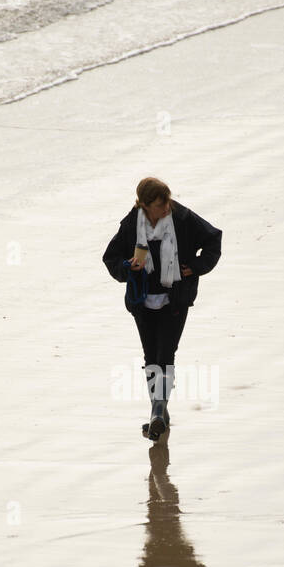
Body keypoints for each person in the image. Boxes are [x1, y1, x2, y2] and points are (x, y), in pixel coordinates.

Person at [102, 177, 222, 440]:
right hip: (142, 302)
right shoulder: (132, 224)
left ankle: (156, 413)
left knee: (165, 354)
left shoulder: (182, 217)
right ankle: (160, 415)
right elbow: (110, 258)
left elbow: (214, 239)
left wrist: (196, 267)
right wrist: (127, 266)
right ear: (144, 205)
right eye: (160, 204)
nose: (167, 207)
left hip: (174, 299)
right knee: (150, 357)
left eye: (167, 200)